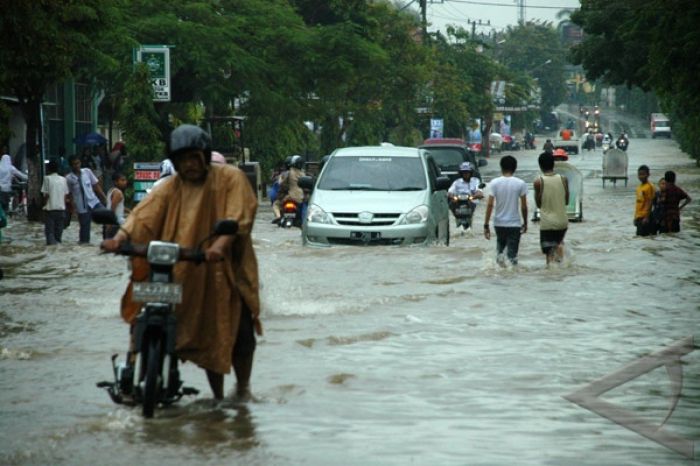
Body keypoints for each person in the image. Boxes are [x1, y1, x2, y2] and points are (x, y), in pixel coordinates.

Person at [102, 124, 262, 401]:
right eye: (183, 159)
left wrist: (219, 246)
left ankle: (243, 389)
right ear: (175, 162)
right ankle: (217, 397)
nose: (189, 165)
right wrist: (119, 238)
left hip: (227, 268)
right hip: (182, 266)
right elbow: (142, 215)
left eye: (194, 158)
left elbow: (238, 218)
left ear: (204, 156)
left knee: (241, 333)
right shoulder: (171, 187)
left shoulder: (231, 178)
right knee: (204, 332)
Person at [483, 155, 528, 266]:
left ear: (501, 167)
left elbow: (489, 205)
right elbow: (524, 207)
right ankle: (511, 277)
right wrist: (525, 222)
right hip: (514, 225)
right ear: (515, 168)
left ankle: (500, 275)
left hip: (499, 224)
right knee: (512, 256)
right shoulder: (520, 183)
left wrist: (486, 225)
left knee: (500, 253)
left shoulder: (494, 183)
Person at [534, 152, 569, 265]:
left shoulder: (538, 182)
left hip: (548, 224)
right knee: (559, 245)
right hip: (562, 222)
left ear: (540, 166)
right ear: (553, 164)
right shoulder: (563, 179)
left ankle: (551, 273)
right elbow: (567, 201)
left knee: (549, 254)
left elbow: (538, 204)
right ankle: (562, 265)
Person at [66, 154, 107, 244]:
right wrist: (72, 208)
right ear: (71, 165)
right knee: (85, 230)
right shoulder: (69, 178)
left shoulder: (87, 172)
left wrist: (104, 198)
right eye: (74, 164)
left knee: (107, 218)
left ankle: (107, 240)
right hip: (82, 207)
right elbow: (69, 194)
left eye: (78, 163)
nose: (77, 166)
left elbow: (96, 186)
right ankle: (83, 246)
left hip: (94, 202)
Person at [41, 159, 70, 245]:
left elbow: (46, 195)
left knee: (50, 234)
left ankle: (51, 254)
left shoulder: (47, 179)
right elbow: (65, 196)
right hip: (61, 210)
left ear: (49, 169)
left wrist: (43, 206)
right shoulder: (63, 179)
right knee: (58, 236)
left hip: (50, 210)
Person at [447, 161, 484, 227]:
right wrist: (451, 196)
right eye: (464, 172)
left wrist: (476, 195)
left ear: (471, 173)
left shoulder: (476, 181)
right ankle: (455, 219)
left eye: (467, 172)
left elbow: (479, 191)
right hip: (458, 201)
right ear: (461, 173)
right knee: (450, 205)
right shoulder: (457, 182)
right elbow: (450, 192)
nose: (466, 174)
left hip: (471, 201)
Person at [272, 155, 305, 224]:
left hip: (291, 196)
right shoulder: (303, 174)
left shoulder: (288, 173)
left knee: (276, 204)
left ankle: (278, 216)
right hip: (301, 198)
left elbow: (282, 184)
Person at [0, 147, 28, 212]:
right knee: (7, 205)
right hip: (7, 190)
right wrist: (28, 178)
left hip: (0, 189)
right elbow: (21, 175)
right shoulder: (11, 168)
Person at [103, 172, 128, 239]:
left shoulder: (111, 190)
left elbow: (118, 206)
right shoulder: (118, 193)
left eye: (125, 180)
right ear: (116, 182)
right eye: (122, 180)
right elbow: (112, 208)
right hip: (116, 224)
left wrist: (131, 211)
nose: (125, 182)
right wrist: (110, 224)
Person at [633, 165, 655, 237]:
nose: (641, 176)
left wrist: (646, 217)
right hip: (639, 217)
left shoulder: (649, 187)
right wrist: (635, 217)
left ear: (648, 175)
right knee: (639, 238)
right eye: (639, 174)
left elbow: (650, 202)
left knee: (644, 237)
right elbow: (638, 203)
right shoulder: (639, 187)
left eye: (643, 174)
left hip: (645, 218)